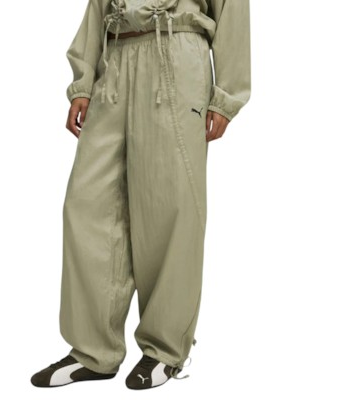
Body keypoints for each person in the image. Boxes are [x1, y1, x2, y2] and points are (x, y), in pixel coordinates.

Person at [31, 0, 251, 391]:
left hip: (176, 55)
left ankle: (164, 349)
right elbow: (98, 7)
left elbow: (231, 8)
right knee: (87, 205)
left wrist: (227, 94)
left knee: (168, 208)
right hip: (114, 58)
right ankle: (93, 351)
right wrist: (83, 80)